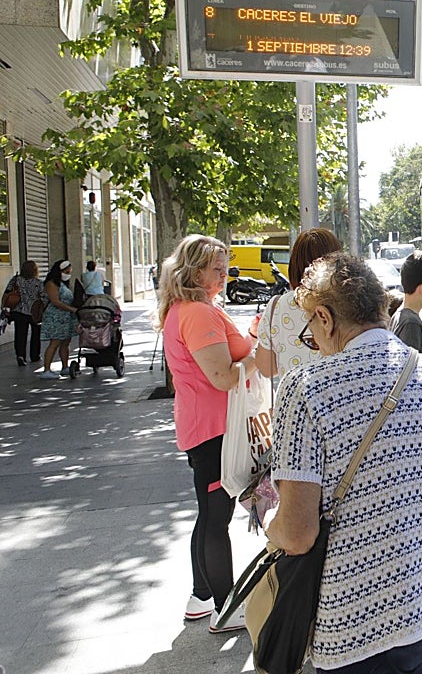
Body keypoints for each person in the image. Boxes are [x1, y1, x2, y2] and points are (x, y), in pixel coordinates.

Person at [268, 253, 422, 674]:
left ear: (325, 318)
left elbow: (296, 534)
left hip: (362, 623)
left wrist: (269, 527)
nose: (315, 342)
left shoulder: (306, 388)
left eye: (311, 332)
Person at [156, 235, 255, 633]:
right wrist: (257, 358)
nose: (225, 273)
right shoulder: (197, 312)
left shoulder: (190, 308)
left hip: (205, 426)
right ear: (194, 272)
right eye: (217, 268)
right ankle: (224, 607)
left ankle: (202, 597)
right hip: (213, 430)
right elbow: (223, 376)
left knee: (210, 515)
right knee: (216, 519)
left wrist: (251, 341)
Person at [255, 228, 342, 381]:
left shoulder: (277, 305)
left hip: (293, 394)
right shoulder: (346, 304)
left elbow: (266, 368)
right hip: (339, 393)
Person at [39, 260, 77, 380]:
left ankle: (65, 366)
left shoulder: (62, 283)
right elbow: (55, 301)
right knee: (54, 342)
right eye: (66, 271)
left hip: (66, 317)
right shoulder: (51, 283)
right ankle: (46, 369)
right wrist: (72, 309)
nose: (68, 274)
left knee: (65, 342)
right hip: (55, 317)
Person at [6, 260, 46, 367]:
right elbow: (44, 296)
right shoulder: (38, 283)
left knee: (20, 334)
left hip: (19, 311)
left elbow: (7, 292)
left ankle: (20, 355)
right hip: (34, 312)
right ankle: (35, 355)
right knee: (36, 334)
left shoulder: (15, 280)